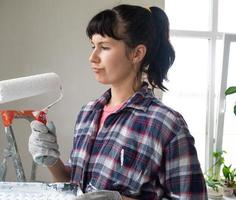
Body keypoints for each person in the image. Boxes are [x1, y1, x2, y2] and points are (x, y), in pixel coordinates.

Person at [28, 4, 207, 200]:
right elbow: (75, 187)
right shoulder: (87, 113)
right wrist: (52, 161)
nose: (92, 57)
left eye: (104, 47)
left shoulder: (166, 124)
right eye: (92, 46)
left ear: (136, 54)